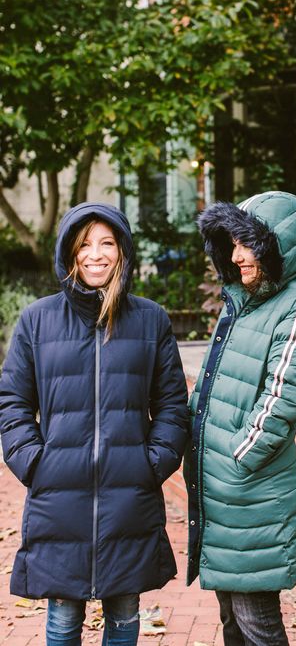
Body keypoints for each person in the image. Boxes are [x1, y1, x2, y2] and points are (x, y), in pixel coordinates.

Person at [0, 202, 189, 646]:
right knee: (63, 618)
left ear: (122, 251)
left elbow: (172, 404)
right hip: (58, 498)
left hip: (129, 496)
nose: (95, 254)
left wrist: (153, 462)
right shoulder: (37, 320)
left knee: (124, 614)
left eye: (106, 243)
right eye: (84, 244)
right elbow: (12, 401)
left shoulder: (150, 319)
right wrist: (33, 462)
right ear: (69, 252)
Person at [185, 191, 296, 645]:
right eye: (232, 243)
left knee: (257, 623)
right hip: (224, 494)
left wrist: (235, 457)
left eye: (248, 244)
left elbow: (281, 399)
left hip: (250, 492)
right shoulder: (244, 301)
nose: (237, 254)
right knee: (232, 620)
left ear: (275, 247)